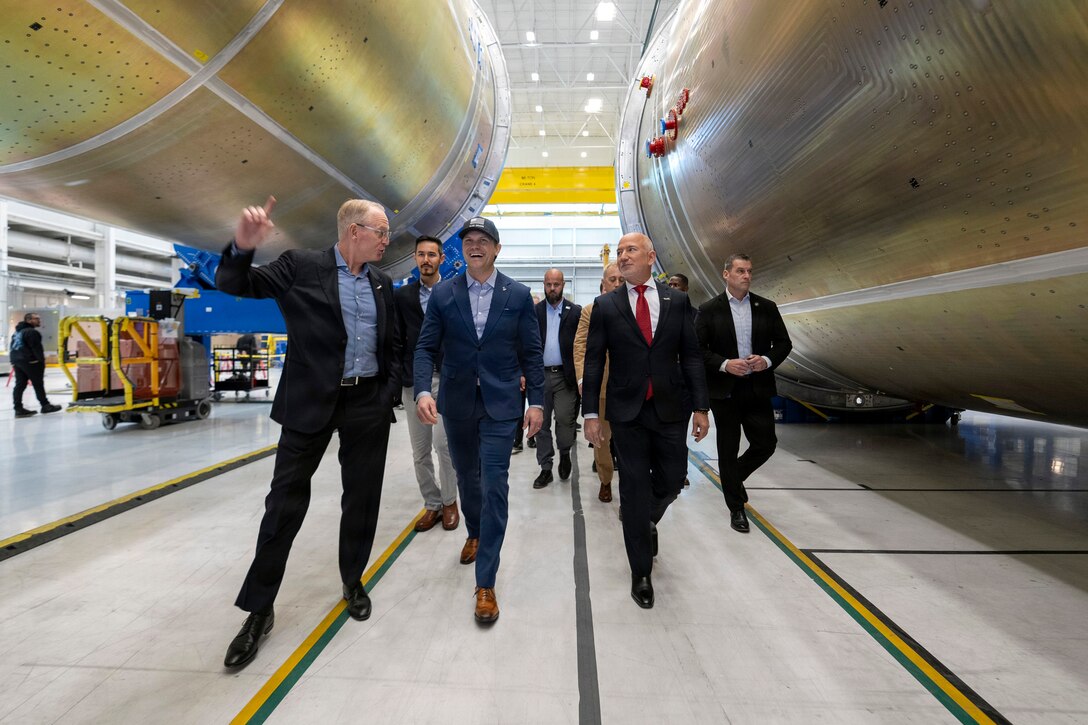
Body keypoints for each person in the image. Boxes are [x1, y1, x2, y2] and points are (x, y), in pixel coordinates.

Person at [216, 197, 402, 669]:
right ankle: (259, 610)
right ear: (355, 231)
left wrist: (386, 394)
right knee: (283, 505)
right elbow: (237, 283)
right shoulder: (300, 266)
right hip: (309, 403)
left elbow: (393, 343)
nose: (387, 240)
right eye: (381, 232)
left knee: (362, 500)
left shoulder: (381, 282)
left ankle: (352, 580)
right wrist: (242, 247)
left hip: (366, 404)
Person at [415, 216, 544, 624]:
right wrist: (422, 391)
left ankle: (485, 581)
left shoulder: (518, 295)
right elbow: (425, 348)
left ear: (496, 249)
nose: (475, 245)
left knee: (494, 484)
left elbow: (532, 353)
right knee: (468, 480)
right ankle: (475, 531)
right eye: (469, 240)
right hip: (457, 404)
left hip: (501, 405)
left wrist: (537, 402)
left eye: (483, 240)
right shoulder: (444, 294)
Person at [582, 233, 709, 610]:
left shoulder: (677, 301)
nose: (623, 256)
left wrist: (701, 407)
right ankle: (641, 572)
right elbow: (593, 361)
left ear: (651, 257)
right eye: (620, 251)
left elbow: (691, 356)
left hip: (670, 407)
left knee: (672, 479)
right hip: (626, 411)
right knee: (634, 487)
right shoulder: (606, 305)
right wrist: (591, 413)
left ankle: (646, 519)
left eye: (630, 250)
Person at [696, 254, 792, 533]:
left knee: (766, 444)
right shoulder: (709, 309)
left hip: (757, 387)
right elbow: (697, 350)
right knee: (728, 448)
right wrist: (725, 364)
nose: (747, 276)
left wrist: (766, 360)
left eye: (749, 271)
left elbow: (784, 343)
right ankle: (736, 508)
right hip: (724, 391)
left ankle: (732, 478)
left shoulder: (766, 307)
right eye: (740, 271)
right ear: (726, 274)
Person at [394, 235, 459, 533]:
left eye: (432, 255)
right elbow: (396, 339)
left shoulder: (455, 291)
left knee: (443, 445)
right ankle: (432, 504)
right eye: (421, 254)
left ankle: (449, 502)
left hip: (447, 380)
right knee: (420, 451)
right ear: (415, 258)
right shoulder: (403, 297)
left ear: (441, 259)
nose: (426, 260)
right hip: (414, 382)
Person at [573, 264, 624, 503]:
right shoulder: (590, 311)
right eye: (612, 279)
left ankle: (631, 489)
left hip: (631, 389)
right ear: (603, 284)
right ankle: (605, 480)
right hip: (601, 387)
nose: (617, 284)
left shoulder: (639, 309)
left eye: (621, 280)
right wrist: (583, 379)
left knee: (630, 442)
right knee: (601, 441)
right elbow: (580, 347)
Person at [532, 269, 582, 489]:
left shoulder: (575, 312)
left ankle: (564, 453)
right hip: (540, 376)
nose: (552, 289)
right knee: (541, 423)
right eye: (549, 284)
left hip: (565, 376)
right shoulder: (534, 312)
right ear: (544, 284)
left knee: (564, 418)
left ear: (564, 285)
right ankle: (545, 467)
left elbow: (582, 346)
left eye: (556, 284)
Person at [10, 312, 62, 418]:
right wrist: (41, 361)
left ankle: (18, 408)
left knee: (20, 384)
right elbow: (36, 348)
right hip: (30, 362)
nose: (39, 320)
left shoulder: (17, 332)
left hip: (17, 361)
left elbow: (13, 346)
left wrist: (14, 360)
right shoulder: (31, 332)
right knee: (38, 383)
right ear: (29, 320)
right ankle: (45, 405)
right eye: (36, 318)